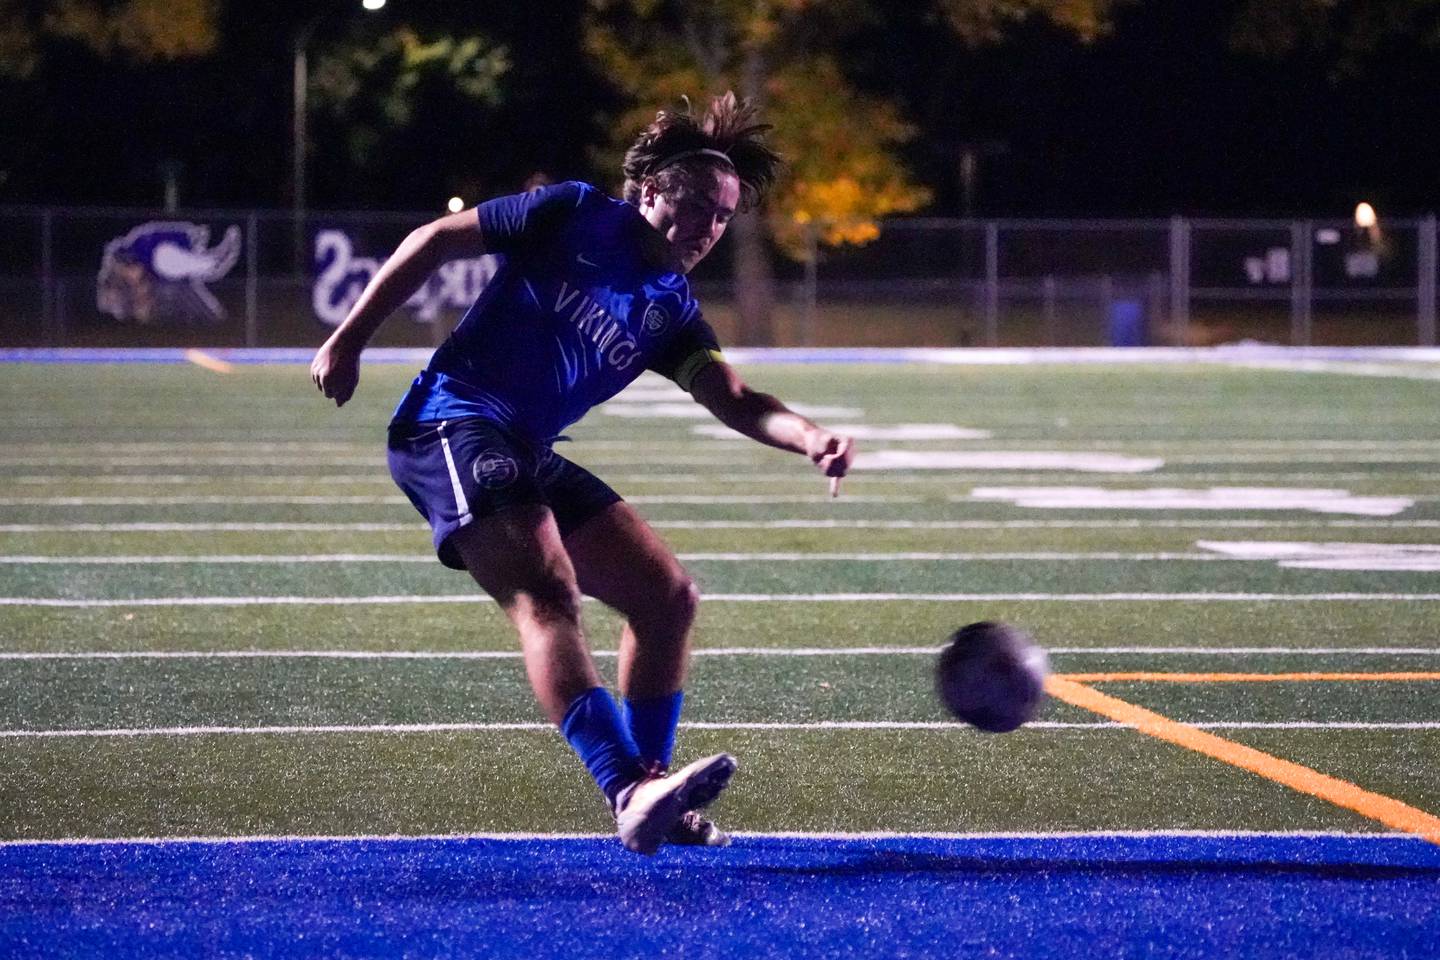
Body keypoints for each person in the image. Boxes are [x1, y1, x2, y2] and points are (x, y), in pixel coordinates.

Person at [310, 92, 855, 855]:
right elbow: (437, 240)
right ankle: (627, 786)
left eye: (723, 216)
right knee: (548, 590)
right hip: (450, 421)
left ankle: (650, 787)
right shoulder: (572, 213)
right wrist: (349, 339)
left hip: (526, 446)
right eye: (695, 203)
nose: (706, 228)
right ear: (650, 190)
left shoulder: (669, 308)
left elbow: (733, 399)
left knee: (668, 598)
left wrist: (809, 438)